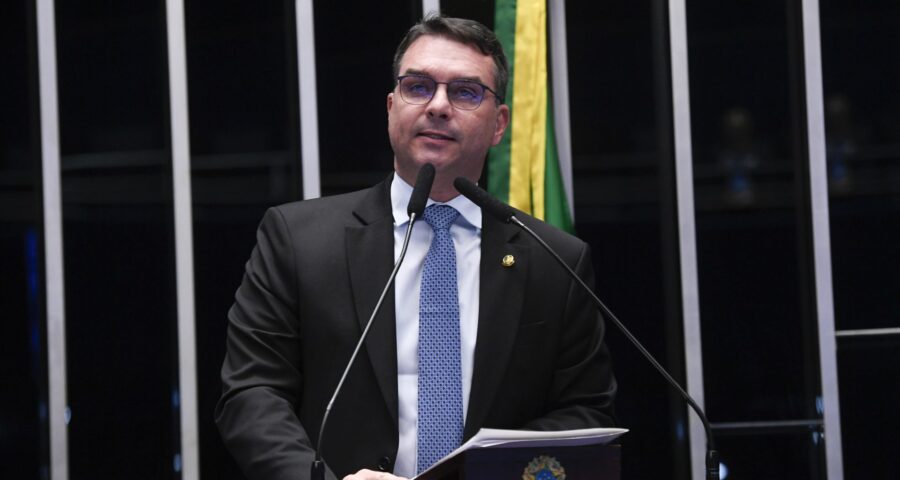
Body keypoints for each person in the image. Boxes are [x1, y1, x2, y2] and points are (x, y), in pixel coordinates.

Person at [215, 15, 616, 480]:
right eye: (418, 86)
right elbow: (252, 391)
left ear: (499, 123)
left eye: (465, 92)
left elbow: (585, 410)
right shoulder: (298, 239)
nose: (438, 106)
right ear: (391, 106)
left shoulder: (554, 259)